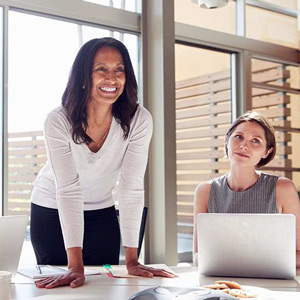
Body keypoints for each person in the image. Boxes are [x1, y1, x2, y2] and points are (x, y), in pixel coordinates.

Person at [30, 37, 175, 289]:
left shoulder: (138, 119)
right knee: (64, 289)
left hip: (102, 210)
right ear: (84, 76)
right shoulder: (58, 120)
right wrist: (75, 266)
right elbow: (68, 189)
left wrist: (133, 259)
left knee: (103, 289)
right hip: (52, 209)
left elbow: (131, 186)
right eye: (101, 69)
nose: (112, 78)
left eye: (119, 69)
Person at [193, 111, 300, 267]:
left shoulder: (283, 189)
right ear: (227, 141)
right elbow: (198, 256)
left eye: (255, 141)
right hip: (222, 282)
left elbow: (299, 253)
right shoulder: (205, 191)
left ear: (266, 151)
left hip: (271, 282)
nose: (244, 145)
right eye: (239, 137)